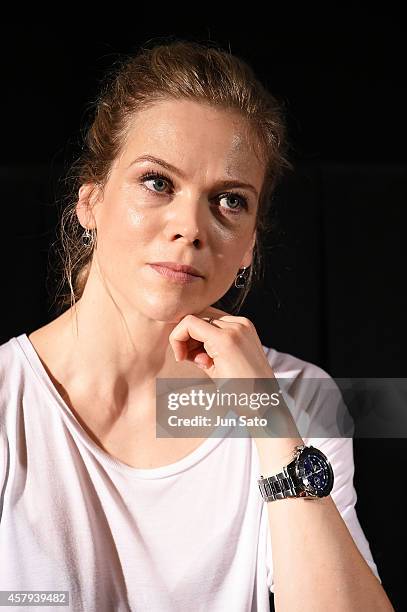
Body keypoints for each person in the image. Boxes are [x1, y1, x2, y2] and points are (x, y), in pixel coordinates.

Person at [0, 39, 394, 611]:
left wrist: (267, 419)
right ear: (91, 202)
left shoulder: (299, 398)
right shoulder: (8, 401)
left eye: (230, 200)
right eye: (157, 182)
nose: (190, 226)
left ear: (249, 246)